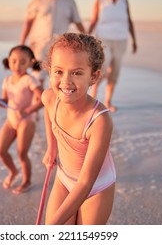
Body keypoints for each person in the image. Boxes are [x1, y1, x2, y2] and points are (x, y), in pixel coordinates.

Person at [41, 33, 116, 225]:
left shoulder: (99, 121)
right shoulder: (49, 98)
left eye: (77, 73)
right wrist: (52, 147)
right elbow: (49, 116)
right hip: (64, 179)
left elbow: (85, 183)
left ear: (94, 76)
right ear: (49, 70)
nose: (66, 81)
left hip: (94, 188)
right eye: (59, 71)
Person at [0, 45, 43, 194]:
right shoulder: (7, 80)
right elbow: (4, 103)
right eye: (14, 61)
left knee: (22, 154)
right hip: (11, 121)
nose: (17, 65)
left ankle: (27, 181)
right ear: (8, 62)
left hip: (26, 122)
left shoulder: (30, 80)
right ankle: (13, 171)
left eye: (23, 62)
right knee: (0, 150)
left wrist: (27, 111)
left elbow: (43, 99)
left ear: (30, 62)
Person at [88, 0, 137, 112]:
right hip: (104, 40)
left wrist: (134, 40)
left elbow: (129, 20)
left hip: (121, 40)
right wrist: (86, 36)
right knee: (103, 68)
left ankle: (108, 102)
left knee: (115, 71)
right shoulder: (100, 0)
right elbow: (94, 20)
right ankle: (92, 100)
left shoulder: (124, 0)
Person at [20, 0, 85, 64]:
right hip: (39, 44)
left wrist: (87, 40)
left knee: (56, 75)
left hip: (60, 45)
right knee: (38, 75)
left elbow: (77, 21)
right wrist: (22, 43)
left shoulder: (69, 0)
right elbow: (28, 22)